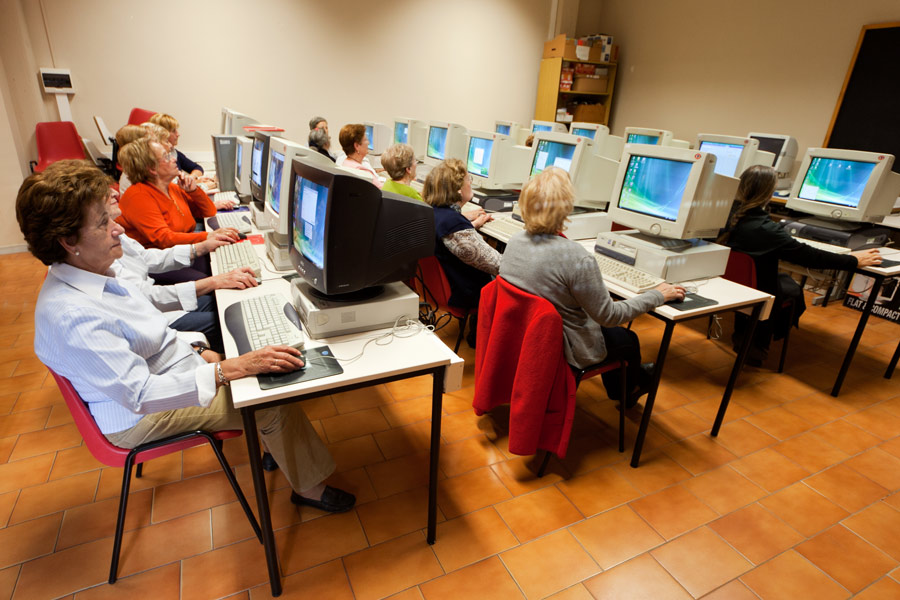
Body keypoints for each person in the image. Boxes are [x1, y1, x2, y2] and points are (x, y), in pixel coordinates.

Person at [17, 160, 354, 513]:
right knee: (268, 398)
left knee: (260, 368)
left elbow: (148, 323)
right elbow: (140, 394)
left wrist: (198, 350)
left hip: (163, 374)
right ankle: (309, 488)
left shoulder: (90, 270)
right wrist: (228, 369)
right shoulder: (72, 315)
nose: (118, 229)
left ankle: (275, 446)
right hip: (139, 416)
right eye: (103, 223)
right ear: (68, 241)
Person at [499, 168, 685, 406]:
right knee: (628, 339)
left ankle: (628, 382)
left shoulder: (515, 241)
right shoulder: (577, 257)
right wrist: (657, 295)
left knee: (612, 332)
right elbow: (609, 316)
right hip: (564, 346)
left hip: (524, 335)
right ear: (566, 206)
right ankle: (627, 391)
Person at [717, 165, 882, 365]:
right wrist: (853, 260)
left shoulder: (726, 216)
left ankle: (747, 338)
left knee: (784, 280)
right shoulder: (766, 229)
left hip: (733, 285)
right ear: (769, 193)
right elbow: (810, 257)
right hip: (760, 289)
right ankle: (759, 345)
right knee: (793, 290)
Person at [106, 186, 255, 352]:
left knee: (230, 301)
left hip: (153, 301)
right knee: (233, 320)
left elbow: (145, 257)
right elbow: (145, 295)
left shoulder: (170, 188)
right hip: (151, 313)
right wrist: (214, 282)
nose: (115, 192)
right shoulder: (136, 198)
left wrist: (200, 247)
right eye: (105, 191)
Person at [117, 137, 239, 282]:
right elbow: (164, 239)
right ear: (152, 169)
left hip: (180, 251)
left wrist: (193, 190)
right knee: (210, 282)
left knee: (226, 264)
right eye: (166, 157)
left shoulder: (171, 187)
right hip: (157, 263)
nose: (174, 159)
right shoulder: (138, 196)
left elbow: (209, 211)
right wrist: (208, 236)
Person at [423, 159, 499, 345]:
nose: (470, 183)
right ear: (457, 188)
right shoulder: (454, 225)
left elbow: (456, 239)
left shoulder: (433, 213)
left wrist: (471, 226)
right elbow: (497, 264)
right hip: (467, 293)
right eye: (468, 179)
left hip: (440, 289)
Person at [149, 113, 206, 179]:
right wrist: (199, 184)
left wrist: (191, 178)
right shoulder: (154, 159)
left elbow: (197, 168)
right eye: (173, 131)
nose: (178, 134)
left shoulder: (174, 152)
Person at [337, 124, 383, 188]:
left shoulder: (345, 163)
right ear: (357, 146)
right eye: (366, 140)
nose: (368, 143)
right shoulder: (363, 172)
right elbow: (383, 189)